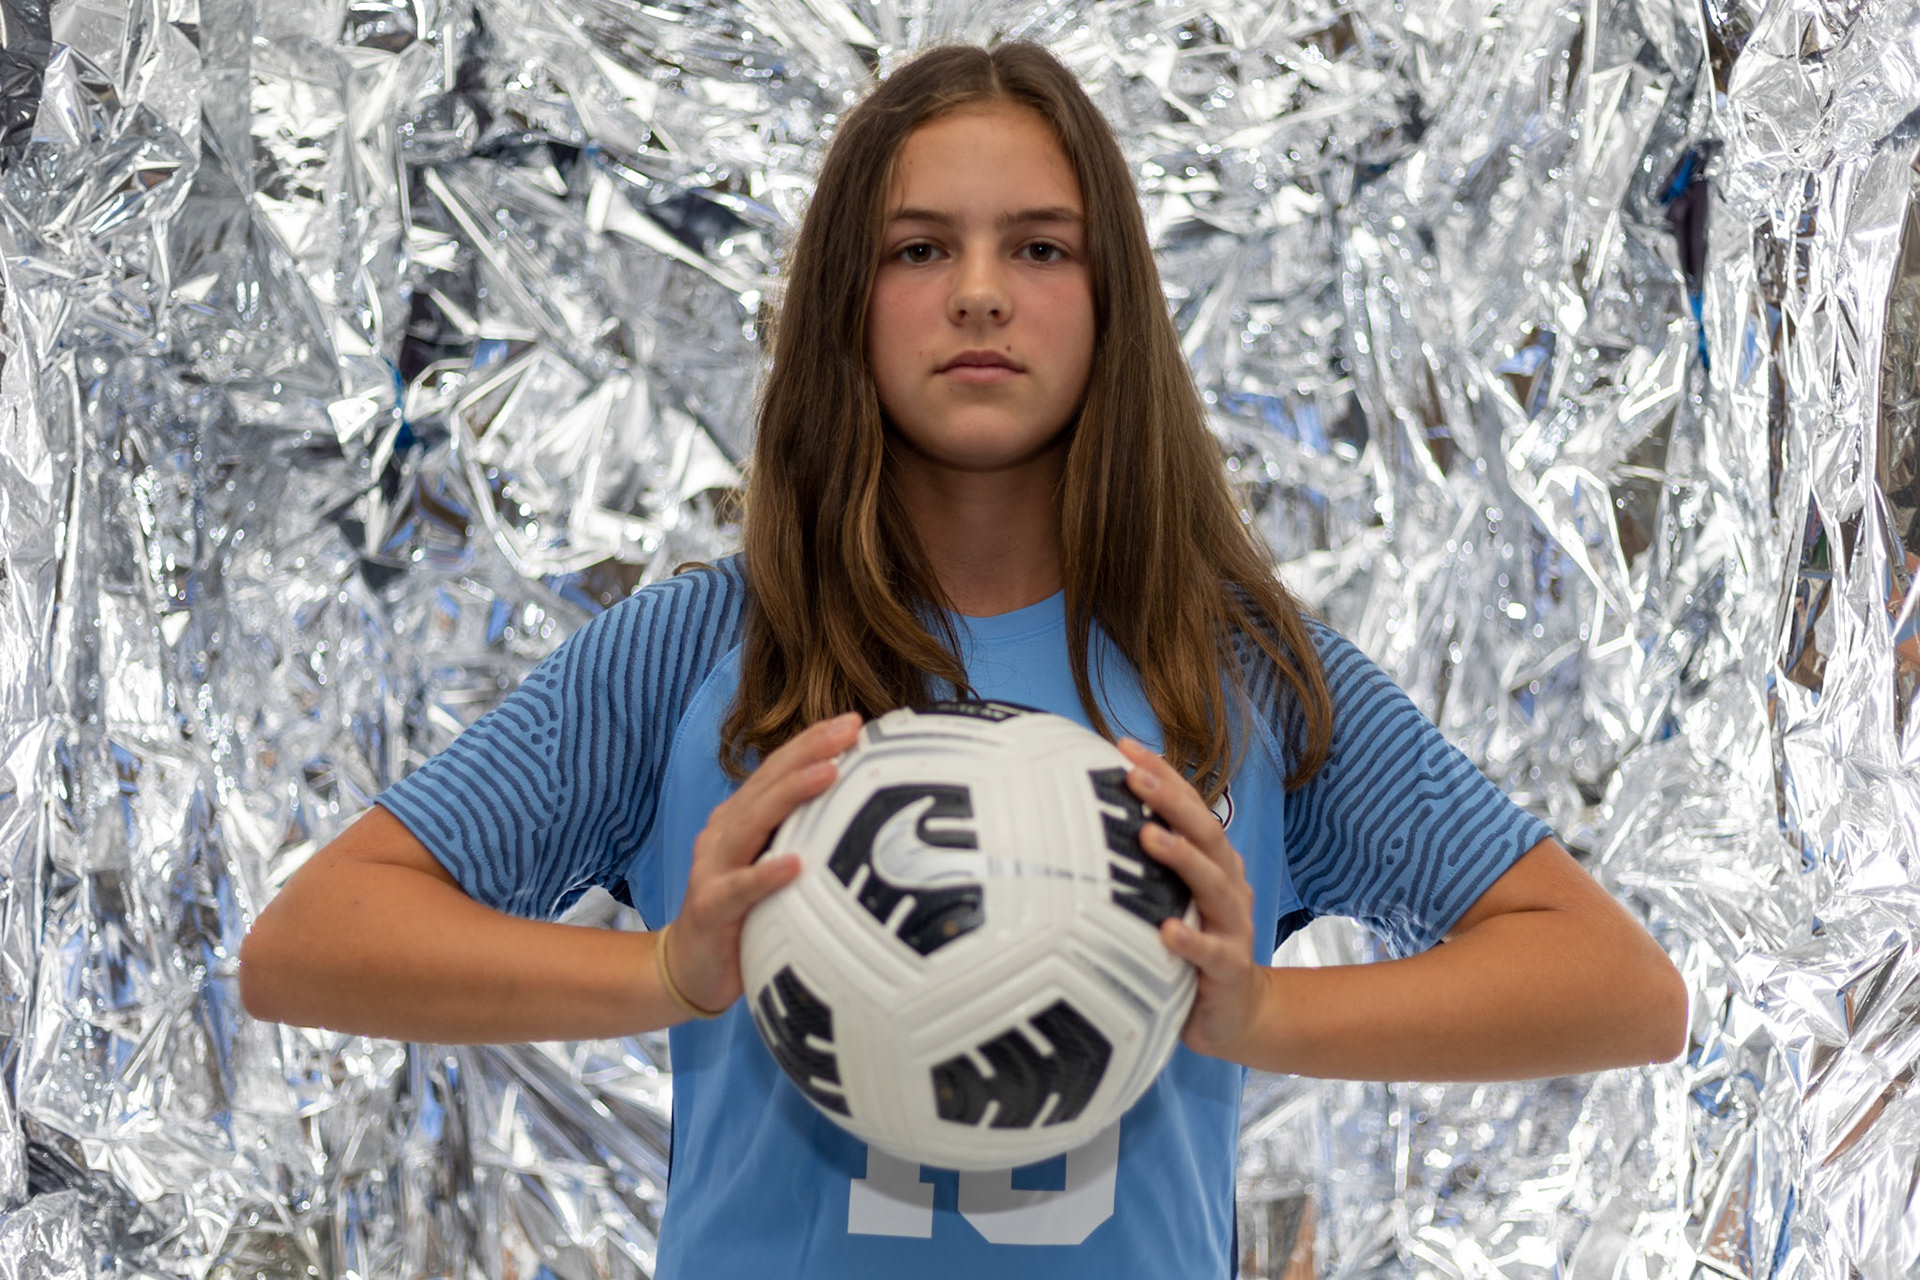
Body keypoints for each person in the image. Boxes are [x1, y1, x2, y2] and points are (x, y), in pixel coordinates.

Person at [239, 40, 1687, 1278]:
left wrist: (1264, 1011)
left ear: (1110, 299)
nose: (980, 293)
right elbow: (308, 945)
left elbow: (1619, 986)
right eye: (920, 248)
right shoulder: (701, 652)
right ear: (845, 309)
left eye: (1040, 247)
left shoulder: (1238, 671)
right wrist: (667, 973)